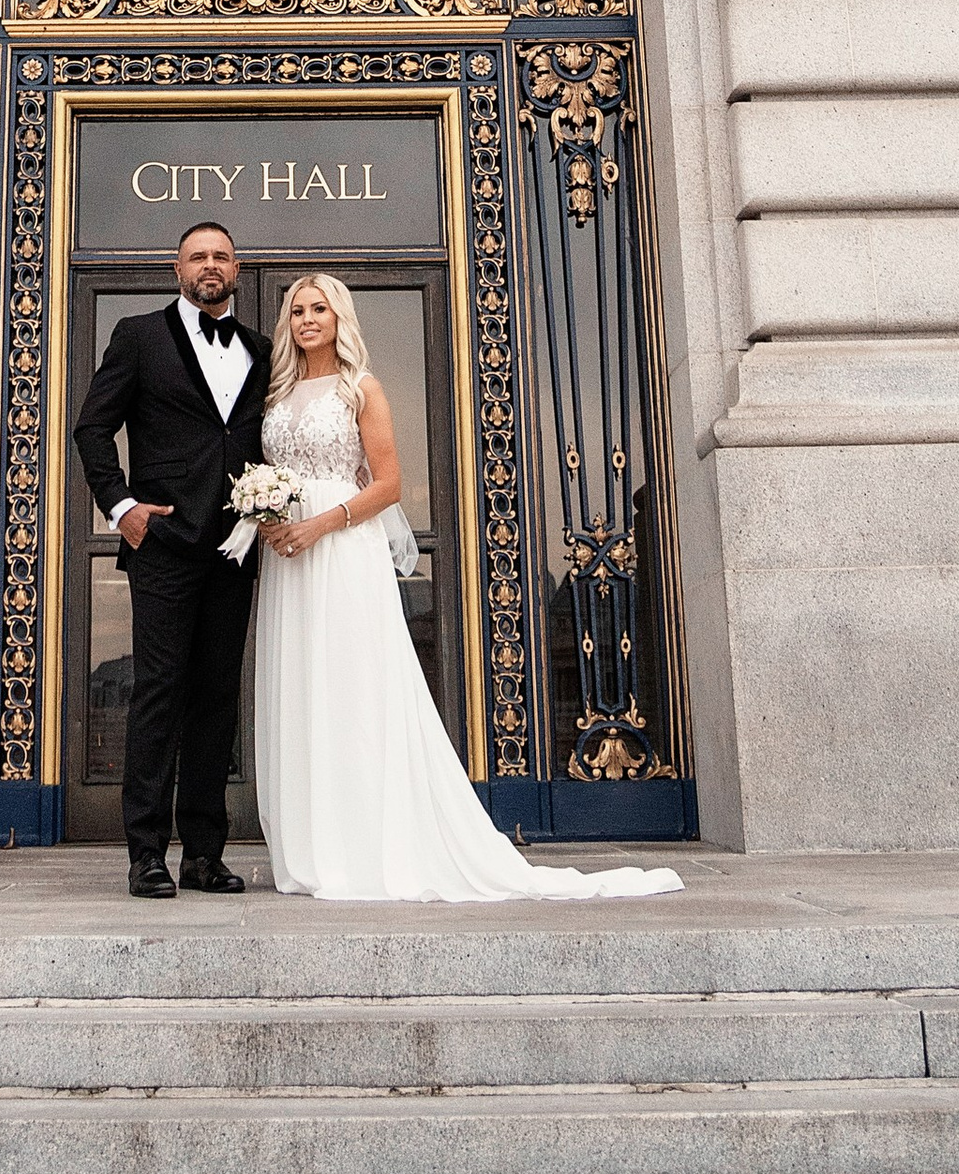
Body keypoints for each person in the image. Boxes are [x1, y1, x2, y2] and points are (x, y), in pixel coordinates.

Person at [254, 271, 685, 903]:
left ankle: (365, 846)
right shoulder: (276, 395)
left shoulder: (361, 390)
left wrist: (320, 523)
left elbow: (388, 485)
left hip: (341, 550)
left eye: (320, 308)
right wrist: (271, 517)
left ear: (341, 318)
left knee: (354, 685)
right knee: (301, 686)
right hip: (288, 559)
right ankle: (313, 847)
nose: (307, 320)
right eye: (297, 311)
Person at [70, 217, 267, 899]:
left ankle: (205, 853)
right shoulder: (138, 336)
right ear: (176, 269)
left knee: (217, 698)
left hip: (235, 548)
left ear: (236, 271)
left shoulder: (260, 348)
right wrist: (121, 508)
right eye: (197, 257)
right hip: (164, 546)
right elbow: (92, 427)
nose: (209, 265)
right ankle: (146, 852)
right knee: (159, 692)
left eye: (221, 256)